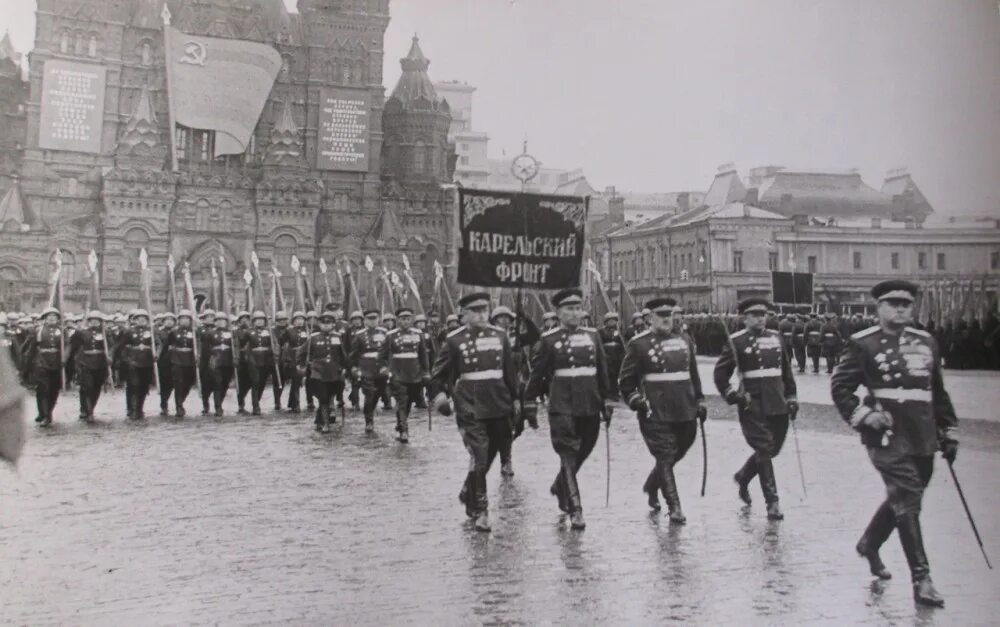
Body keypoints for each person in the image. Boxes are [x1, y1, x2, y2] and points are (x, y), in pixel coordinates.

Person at [830, 280, 956, 608]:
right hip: (886, 434)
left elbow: (936, 391)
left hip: (922, 434)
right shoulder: (863, 343)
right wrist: (863, 415)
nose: (900, 309)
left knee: (905, 497)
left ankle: (870, 542)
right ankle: (922, 579)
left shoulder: (927, 341)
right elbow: (841, 387)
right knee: (909, 497)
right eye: (892, 303)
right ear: (879, 307)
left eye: (906, 304)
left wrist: (948, 430)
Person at [431, 292, 519, 532]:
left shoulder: (501, 337)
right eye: (475, 311)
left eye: (484, 310)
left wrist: (518, 401)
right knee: (479, 455)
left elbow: (510, 374)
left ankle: (469, 489)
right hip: (470, 405)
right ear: (465, 315)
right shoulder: (454, 340)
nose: (481, 315)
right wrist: (440, 397)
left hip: (499, 404)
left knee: (489, 455)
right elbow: (437, 375)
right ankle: (481, 509)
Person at [526, 288, 613, 530]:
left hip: (590, 403)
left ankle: (560, 484)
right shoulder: (549, 340)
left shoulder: (593, 336)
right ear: (558, 313)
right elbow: (537, 374)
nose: (574, 313)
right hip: (562, 404)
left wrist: (607, 401)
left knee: (584, 449)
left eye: (577, 308)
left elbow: (603, 371)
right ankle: (576, 508)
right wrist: (529, 403)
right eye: (569, 309)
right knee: (568, 452)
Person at [619, 298, 706, 523]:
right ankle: (674, 507)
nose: (667, 319)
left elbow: (693, 375)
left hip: (685, 409)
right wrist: (636, 400)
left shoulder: (684, 340)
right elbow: (626, 382)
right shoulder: (639, 344)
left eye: (670, 315)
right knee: (665, 456)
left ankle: (652, 484)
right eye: (661, 315)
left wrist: (701, 400)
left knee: (682, 448)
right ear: (650, 318)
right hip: (655, 411)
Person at [713, 297, 798, 520]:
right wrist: (733, 395)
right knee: (763, 449)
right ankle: (772, 502)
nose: (760, 318)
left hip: (778, 402)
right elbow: (720, 374)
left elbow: (786, 372)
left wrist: (792, 396)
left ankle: (743, 476)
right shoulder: (736, 341)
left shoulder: (776, 338)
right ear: (745, 318)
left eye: (763, 314)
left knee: (773, 449)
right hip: (752, 403)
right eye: (754, 315)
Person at [489, 304, 540, 476]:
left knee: (518, 425)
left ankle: (505, 446)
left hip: (519, 382)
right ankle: (506, 460)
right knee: (504, 424)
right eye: (500, 318)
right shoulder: (489, 337)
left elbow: (534, 335)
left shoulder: (516, 337)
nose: (504, 321)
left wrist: (525, 317)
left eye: (507, 318)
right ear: (494, 320)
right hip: (498, 386)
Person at [378, 307, 430, 443]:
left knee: (409, 402)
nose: (405, 322)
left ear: (412, 320)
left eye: (408, 319)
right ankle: (404, 431)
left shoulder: (418, 334)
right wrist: (384, 368)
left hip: (415, 374)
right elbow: (381, 355)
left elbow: (423, 355)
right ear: (398, 320)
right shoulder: (391, 335)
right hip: (398, 373)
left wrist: (426, 372)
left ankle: (400, 424)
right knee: (402, 401)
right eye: (403, 319)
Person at [298, 311, 348, 433]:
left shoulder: (338, 337)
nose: (326, 325)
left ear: (333, 324)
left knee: (331, 395)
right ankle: (326, 424)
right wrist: (302, 365)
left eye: (329, 323)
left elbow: (344, 355)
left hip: (334, 371)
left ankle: (319, 419)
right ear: (319, 324)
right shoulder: (313, 338)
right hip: (318, 370)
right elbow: (301, 352)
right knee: (323, 396)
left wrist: (345, 368)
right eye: (323, 323)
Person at [21, 307, 65, 426]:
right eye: (49, 316)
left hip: (57, 362)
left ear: (57, 319)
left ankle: (47, 412)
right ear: (44, 318)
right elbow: (30, 350)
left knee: (54, 390)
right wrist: (26, 368)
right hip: (41, 362)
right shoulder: (37, 330)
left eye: (54, 316)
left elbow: (67, 346)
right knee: (43, 388)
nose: (51, 318)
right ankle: (46, 415)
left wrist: (65, 357)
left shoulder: (62, 331)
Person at [66, 310, 110, 422]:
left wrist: (111, 357)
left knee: (96, 387)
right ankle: (88, 412)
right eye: (92, 320)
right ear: (89, 321)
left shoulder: (105, 333)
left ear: (100, 321)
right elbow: (74, 347)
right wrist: (75, 362)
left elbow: (112, 346)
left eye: (97, 320)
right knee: (87, 387)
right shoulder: (82, 333)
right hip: (86, 363)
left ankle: (88, 408)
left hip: (101, 364)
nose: (95, 322)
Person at [350, 309, 389, 433]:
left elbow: (389, 350)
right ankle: (369, 421)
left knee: (379, 392)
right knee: (369, 394)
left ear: (378, 319)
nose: (372, 322)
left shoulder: (385, 333)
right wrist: (353, 367)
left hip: (381, 368)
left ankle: (370, 410)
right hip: (366, 367)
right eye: (369, 319)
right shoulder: (360, 334)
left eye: (375, 319)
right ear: (365, 321)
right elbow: (353, 354)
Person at [113, 309, 155, 421]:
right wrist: (126, 359)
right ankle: (133, 409)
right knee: (133, 385)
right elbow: (121, 347)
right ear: (135, 320)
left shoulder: (151, 331)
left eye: (144, 319)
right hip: (132, 363)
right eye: (139, 319)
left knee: (144, 387)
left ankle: (139, 408)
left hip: (147, 363)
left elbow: (158, 344)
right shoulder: (128, 332)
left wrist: (156, 354)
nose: (141, 321)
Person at [163, 309, 198, 417]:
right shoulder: (173, 332)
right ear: (179, 320)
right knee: (179, 383)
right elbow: (166, 347)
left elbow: (199, 346)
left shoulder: (194, 332)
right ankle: (179, 406)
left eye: (187, 319)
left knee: (188, 384)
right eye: (182, 319)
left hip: (190, 361)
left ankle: (181, 401)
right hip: (176, 360)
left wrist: (198, 355)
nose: (185, 321)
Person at [245, 310, 280, 415]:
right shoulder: (249, 332)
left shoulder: (269, 331)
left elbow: (275, 344)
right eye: (257, 320)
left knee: (262, 383)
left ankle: (257, 401)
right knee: (255, 382)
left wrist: (276, 354)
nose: (259, 322)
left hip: (266, 360)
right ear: (254, 322)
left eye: (261, 320)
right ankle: (256, 406)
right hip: (254, 360)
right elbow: (245, 345)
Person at [204, 312, 236, 417]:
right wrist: (211, 358)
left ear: (226, 322)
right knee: (217, 383)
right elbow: (206, 348)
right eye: (218, 320)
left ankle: (220, 402)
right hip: (215, 361)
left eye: (223, 320)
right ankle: (218, 407)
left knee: (225, 384)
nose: (221, 322)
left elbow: (235, 347)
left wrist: (236, 358)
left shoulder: (231, 333)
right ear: (215, 322)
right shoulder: (210, 334)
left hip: (228, 361)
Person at [278, 311, 308, 413]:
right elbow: (282, 342)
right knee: (296, 380)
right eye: (297, 320)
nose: (299, 322)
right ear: (293, 321)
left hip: (303, 357)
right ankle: (296, 404)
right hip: (293, 357)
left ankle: (292, 402)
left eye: (301, 319)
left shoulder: (307, 330)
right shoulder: (289, 331)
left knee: (298, 381)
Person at [598, 312, 625, 400]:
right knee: (609, 375)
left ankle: (615, 392)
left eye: (614, 320)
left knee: (617, 374)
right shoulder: (601, 331)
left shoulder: (618, 332)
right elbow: (600, 344)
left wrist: (623, 355)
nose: (613, 322)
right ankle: (609, 393)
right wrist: (603, 356)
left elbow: (621, 344)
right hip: (607, 356)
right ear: (606, 322)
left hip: (617, 356)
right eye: (611, 320)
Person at [156, 312, 176, 416]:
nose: (169, 321)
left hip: (176, 361)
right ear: (163, 322)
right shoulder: (159, 332)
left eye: (171, 320)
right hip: (163, 361)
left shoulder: (177, 331)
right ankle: (164, 405)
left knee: (173, 384)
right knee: (164, 384)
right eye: (167, 319)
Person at [197, 309, 216, 415]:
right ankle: (205, 404)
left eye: (212, 317)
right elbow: (197, 343)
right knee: (205, 383)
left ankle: (218, 403)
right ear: (203, 319)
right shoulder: (199, 330)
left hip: (216, 357)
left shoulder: (217, 329)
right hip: (204, 358)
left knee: (216, 382)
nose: (210, 319)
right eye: (207, 317)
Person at [233, 311, 253, 414]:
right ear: (239, 321)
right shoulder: (236, 332)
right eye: (242, 318)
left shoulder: (252, 331)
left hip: (252, 360)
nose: (245, 320)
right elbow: (235, 345)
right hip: (240, 360)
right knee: (240, 383)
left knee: (251, 382)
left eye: (247, 318)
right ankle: (241, 405)